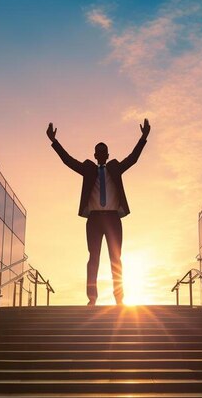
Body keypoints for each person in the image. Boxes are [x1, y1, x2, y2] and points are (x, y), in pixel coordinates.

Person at [46, 119, 150, 305]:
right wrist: (54, 141)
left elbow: (133, 158)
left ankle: (119, 299)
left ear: (108, 155)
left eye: (104, 152)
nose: (101, 154)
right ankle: (92, 299)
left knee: (115, 259)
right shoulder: (88, 169)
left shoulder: (115, 167)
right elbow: (68, 161)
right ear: (95, 155)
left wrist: (143, 137)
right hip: (94, 219)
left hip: (112, 218)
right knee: (93, 257)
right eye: (98, 152)